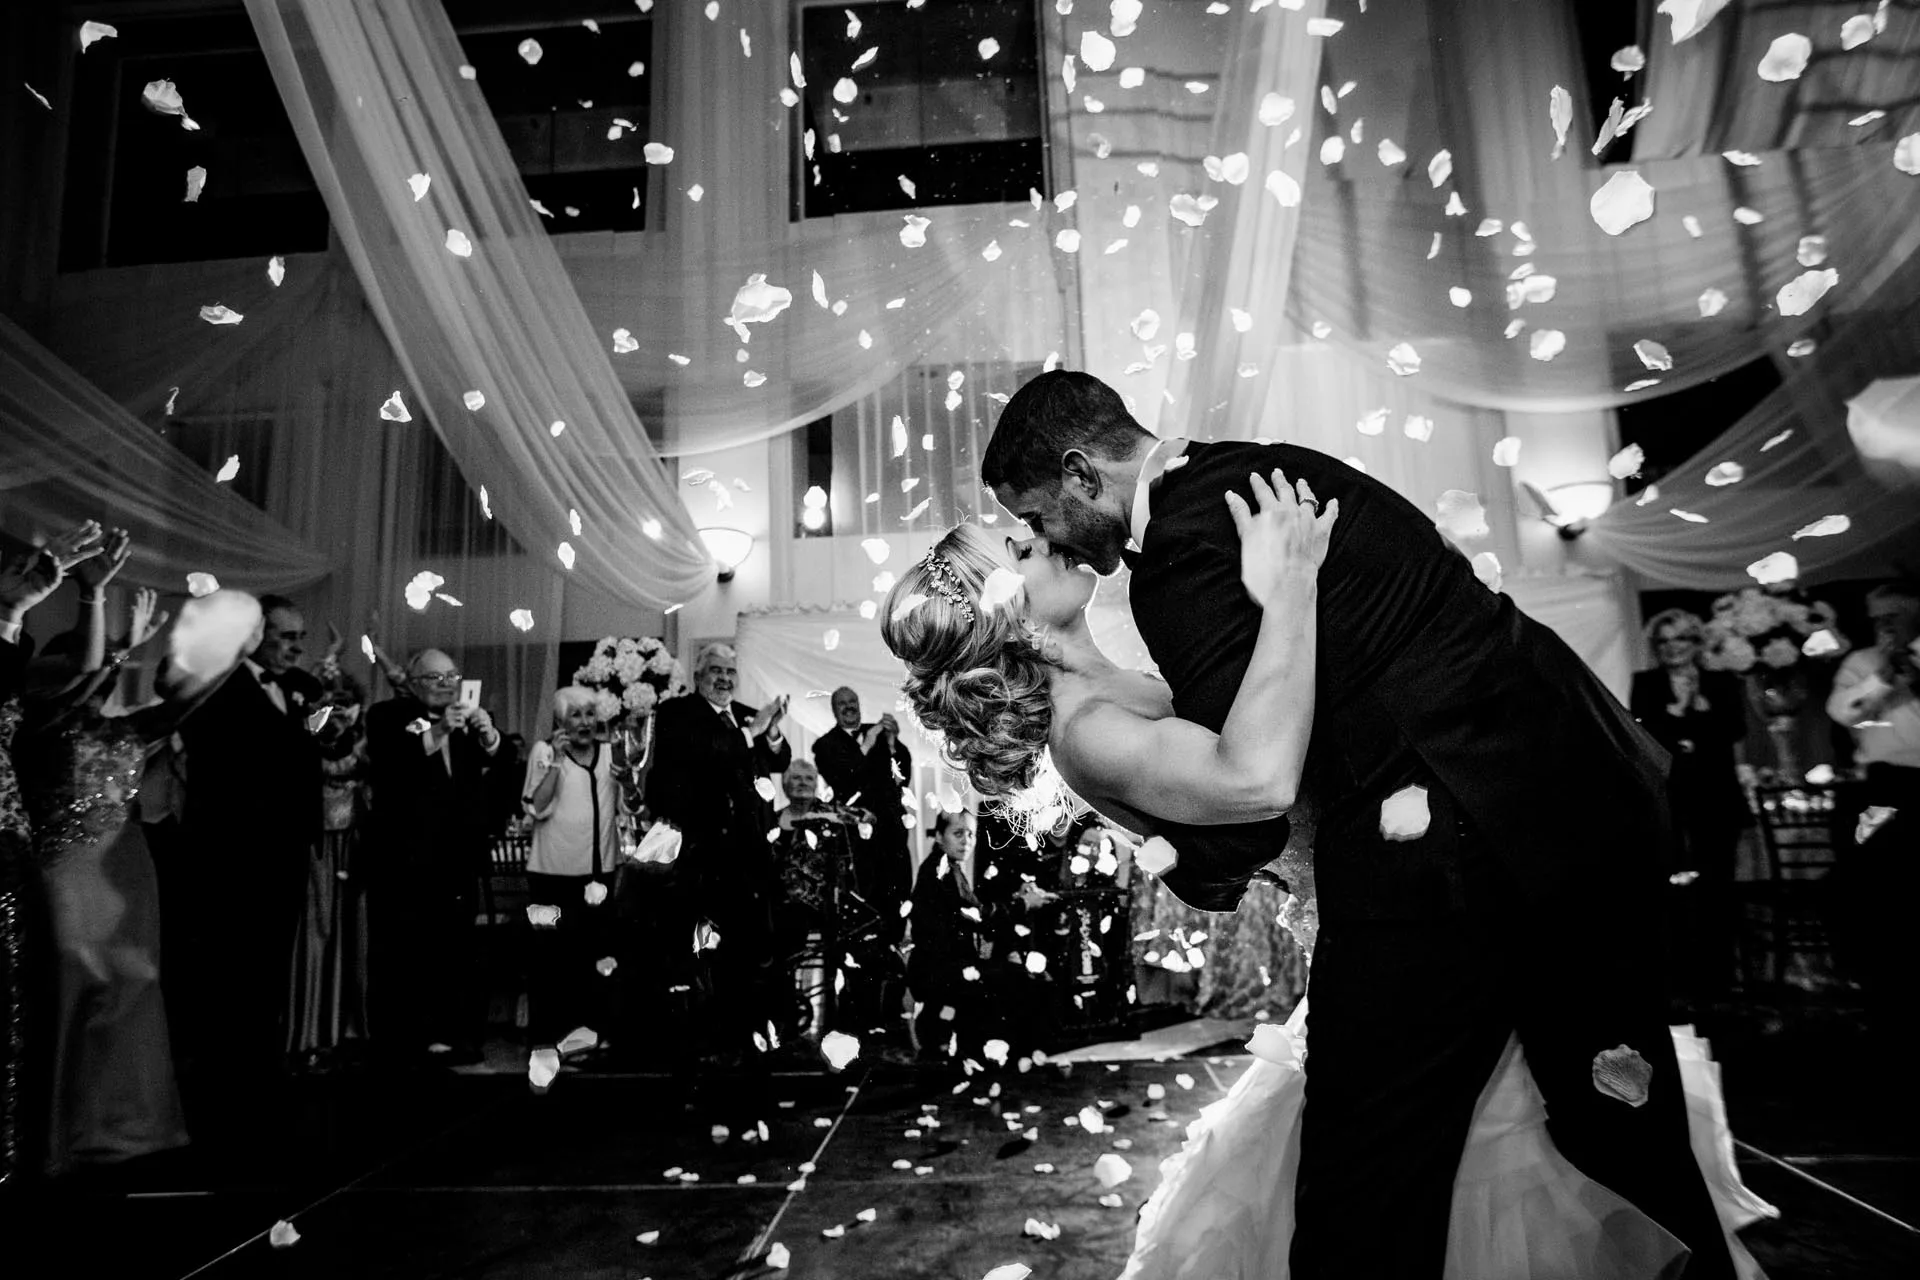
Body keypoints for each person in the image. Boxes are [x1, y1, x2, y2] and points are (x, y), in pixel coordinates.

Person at [887, 368, 1742, 1278]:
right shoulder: (1253, 479)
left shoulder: (1184, 556)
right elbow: (1255, 782)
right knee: (1602, 1127)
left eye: (1037, 520)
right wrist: (1288, 592)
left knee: (1375, 1184)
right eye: (1022, 546)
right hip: (1557, 807)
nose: (1045, 538)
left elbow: (1258, 780)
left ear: (1082, 473)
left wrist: (1287, 599)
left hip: (1445, 860)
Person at [19, 551, 249, 1177]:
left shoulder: (124, 733)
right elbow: (74, 687)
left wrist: (223, 647)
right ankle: (59, 1131)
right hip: (68, 870)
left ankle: (123, 1125)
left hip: (129, 866)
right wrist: (118, 647)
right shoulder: (39, 724)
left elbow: (183, 706)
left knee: (131, 992)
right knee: (70, 992)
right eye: (72, 666)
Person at [169, 590, 323, 1080]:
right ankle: (221, 1070)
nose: (297, 647)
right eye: (287, 636)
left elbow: (301, 758)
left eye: (302, 637)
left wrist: (324, 731)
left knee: (272, 961)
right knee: (228, 963)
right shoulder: (219, 685)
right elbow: (220, 756)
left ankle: (261, 1062)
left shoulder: (300, 684)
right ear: (254, 636)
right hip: (232, 852)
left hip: (286, 848)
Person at [0, 520, 106, 1185]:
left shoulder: (14, 668)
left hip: (7, 847)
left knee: (17, 1004)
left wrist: (93, 599)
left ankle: (13, 1157)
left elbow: (81, 675)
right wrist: (8, 613)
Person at [645, 643, 791, 1061]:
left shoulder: (746, 714)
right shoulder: (676, 714)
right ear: (698, 676)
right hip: (703, 858)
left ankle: (743, 1037)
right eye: (716, 670)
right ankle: (701, 1043)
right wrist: (752, 731)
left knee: (747, 953)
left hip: (749, 856)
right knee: (702, 954)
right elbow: (708, 756)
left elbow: (778, 761)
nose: (724, 678)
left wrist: (773, 732)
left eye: (731, 671)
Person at [362, 648, 502, 1066]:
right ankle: (404, 1042)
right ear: (413, 682)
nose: (445, 684)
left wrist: (488, 734)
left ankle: (452, 1035)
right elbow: (393, 766)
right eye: (435, 678)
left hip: (456, 861)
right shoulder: (387, 715)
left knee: (455, 953)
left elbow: (495, 769)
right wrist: (440, 730)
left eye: (451, 676)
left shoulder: (461, 720)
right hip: (405, 863)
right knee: (405, 954)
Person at [1631, 609, 1749, 1005]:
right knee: (1676, 888)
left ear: (1695, 643)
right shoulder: (1646, 684)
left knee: (1719, 886)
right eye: (1662, 641)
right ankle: (1681, 978)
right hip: (1671, 801)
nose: (1671, 648)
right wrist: (1684, 715)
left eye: (1678, 639)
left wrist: (1687, 726)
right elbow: (1646, 736)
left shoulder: (1722, 682)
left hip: (1717, 798)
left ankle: (1721, 978)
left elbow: (1733, 730)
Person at [1823, 580, 1920, 1056]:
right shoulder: (1863, 663)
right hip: (1889, 785)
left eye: (1894, 617)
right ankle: (1887, 1006)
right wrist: (1889, 673)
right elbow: (1844, 711)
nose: (1885, 627)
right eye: (1878, 619)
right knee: (1882, 894)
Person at [521, 687, 636, 1056]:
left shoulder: (609, 754)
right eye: (576, 715)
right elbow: (536, 808)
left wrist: (630, 778)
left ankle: (591, 1038)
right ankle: (548, 1040)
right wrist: (555, 761)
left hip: (597, 875)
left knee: (597, 958)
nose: (585, 723)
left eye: (590, 714)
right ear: (560, 721)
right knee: (552, 960)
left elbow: (630, 806)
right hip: (551, 874)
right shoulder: (544, 752)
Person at [904, 808, 1056, 1061]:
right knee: (1030, 980)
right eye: (958, 833)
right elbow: (978, 914)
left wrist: (1018, 901)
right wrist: (1023, 904)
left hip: (948, 966)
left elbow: (977, 912)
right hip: (943, 971)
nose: (966, 841)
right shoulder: (940, 871)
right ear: (940, 836)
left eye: (971, 834)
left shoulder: (949, 868)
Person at [287, 665, 371, 1068]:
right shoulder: (304, 739)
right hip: (315, 846)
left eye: (346, 703)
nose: (339, 710)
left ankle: (348, 1027)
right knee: (316, 933)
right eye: (331, 702)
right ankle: (310, 1029)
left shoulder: (365, 742)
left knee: (352, 932)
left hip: (352, 845)